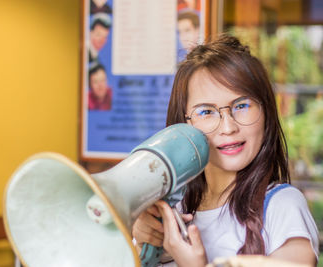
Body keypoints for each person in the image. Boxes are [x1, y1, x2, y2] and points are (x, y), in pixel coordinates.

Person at [132, 35, 319, 266]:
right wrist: (143, 245)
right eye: (206, 112)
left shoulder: (283, 205)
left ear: (266, 112)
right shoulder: (173, 208)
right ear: (183, 123)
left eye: (242, 106)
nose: (228, 127)